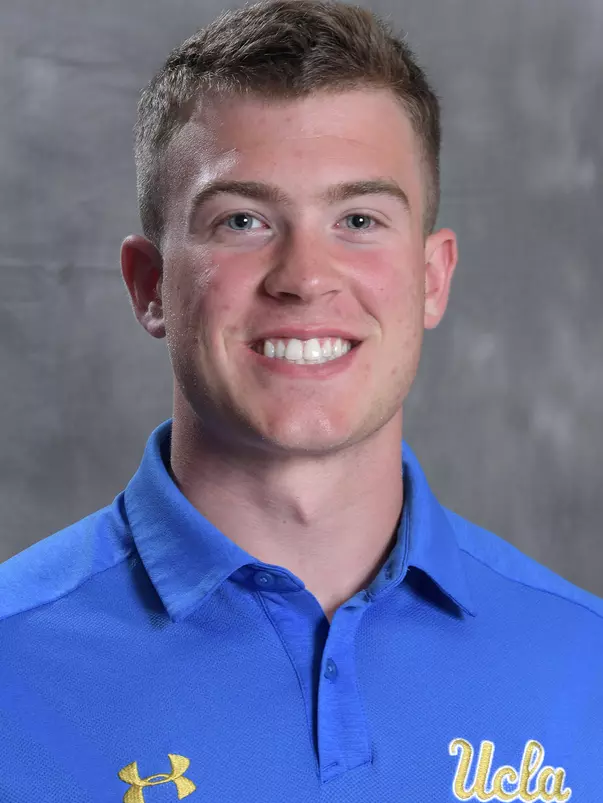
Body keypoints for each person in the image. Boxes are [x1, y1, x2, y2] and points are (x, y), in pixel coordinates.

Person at [0, 0, 601, 799]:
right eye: (242, 219)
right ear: (150, 286)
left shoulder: (582, 662)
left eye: (358, 218)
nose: (304, 277)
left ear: (432, 278)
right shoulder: (15, 660)